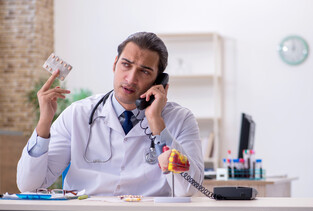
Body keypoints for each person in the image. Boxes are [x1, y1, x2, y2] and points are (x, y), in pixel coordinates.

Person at [17, 32, 204, 196]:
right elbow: (29, 185)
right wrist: (44, 123)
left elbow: (187, 189)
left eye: (144, 71)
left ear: (160, 82)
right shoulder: (78, 114)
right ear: (115, 64)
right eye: (126, 65)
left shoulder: (180, 119)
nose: (131, 78)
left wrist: (156, 122)